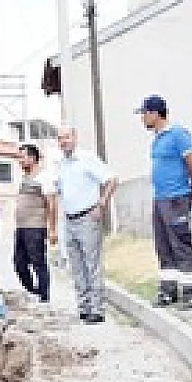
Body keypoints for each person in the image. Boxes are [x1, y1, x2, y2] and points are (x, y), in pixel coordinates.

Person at [136, 95, 192, 309]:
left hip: (176, 197)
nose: (143, 118)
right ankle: (168, 290)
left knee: (181, 244)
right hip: (160, 198)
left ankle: (190, 293)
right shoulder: (158, 138)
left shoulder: (178, 134)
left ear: (155, 114)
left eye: (144, 114)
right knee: (163, 245)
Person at [55, 126, 118, 324]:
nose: (63, 141)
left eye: (66, 137)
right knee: (76, 266)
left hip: (87, 218)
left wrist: (101, 204)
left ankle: (97, 309)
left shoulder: (87, 158)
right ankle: (83, 307)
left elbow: (112, 179)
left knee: (92, 264)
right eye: (60, 138)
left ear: (75, 137)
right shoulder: (61, 164)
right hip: (70, 219)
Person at [13, 143, 58, 303]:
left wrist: (52, 230)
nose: (19, 160)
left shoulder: (44, 177)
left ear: (32, 158)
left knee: (38, 262)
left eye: (22, 157)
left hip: (36, 227)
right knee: (19, 263)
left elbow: (52, 204)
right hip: (21, 228)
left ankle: (44, 298)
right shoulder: (25, 178)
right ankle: (34, 290)